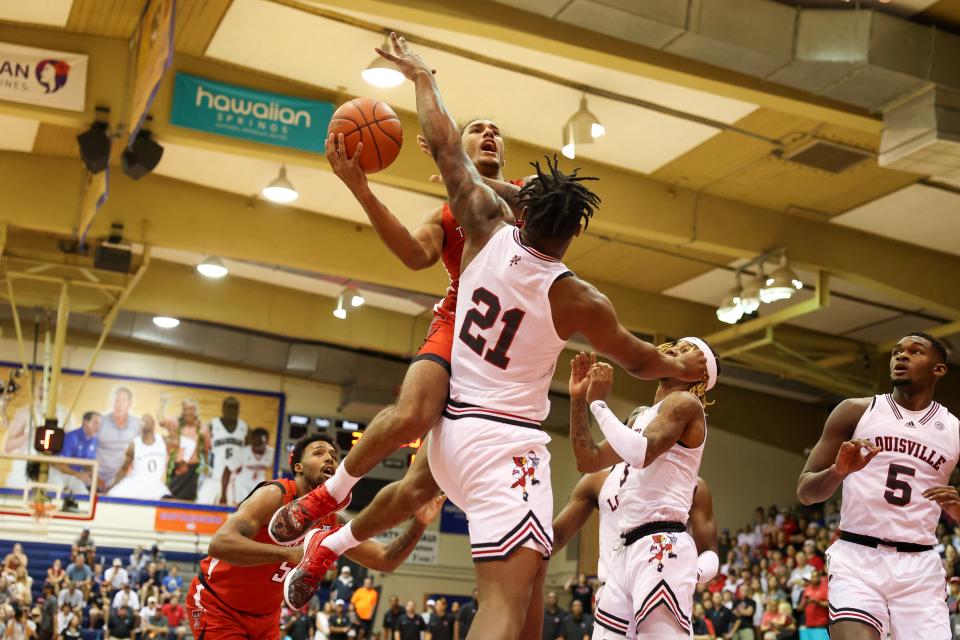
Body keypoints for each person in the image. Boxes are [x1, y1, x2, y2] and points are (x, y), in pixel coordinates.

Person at [281, 33, 705, 635]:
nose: (487, 138)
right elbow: (640, 360)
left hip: (459, 422)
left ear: (523, 209)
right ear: (572, 232)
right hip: (503, 439)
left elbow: (447, 144)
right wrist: (682, 366)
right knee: (505, 601)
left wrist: (424, 77)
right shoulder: (578, 298)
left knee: (481, 553)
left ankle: (329, 537)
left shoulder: (483, 222)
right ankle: (330, 501)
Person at [186, 434, 442, 639]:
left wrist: (419, 523)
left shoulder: (332, 521)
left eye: (334, 456)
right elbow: (219, 544)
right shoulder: (275, 495)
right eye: (319, 453)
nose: (329, 459)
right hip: (217, 605)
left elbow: (385, 559)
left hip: (266, 619)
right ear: (298, 466)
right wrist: (294, 554)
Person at [797, 332, 958, 640]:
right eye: (897, 351)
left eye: (915, 352)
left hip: (919, 567)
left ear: (938, 369)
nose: (901, 356)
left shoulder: (953, 431)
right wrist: (837, 472)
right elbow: (806, 492)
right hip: (858, 556)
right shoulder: (855, 411)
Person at [566, 340, 719, 639]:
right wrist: (577, 401)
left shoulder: (687, 404)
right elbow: (589, 459)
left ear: (700, 376)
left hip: (662, 542)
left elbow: (641, 452)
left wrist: (598, 404)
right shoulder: (641, 416)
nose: (675, 349)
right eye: (676, 345)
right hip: (625, 550)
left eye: (687, 350)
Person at [197, 396, 248, 505]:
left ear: (239, 410)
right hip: (214, 477)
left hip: (235, 480)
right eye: (229, 408)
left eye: (235, 408)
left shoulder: (244, 428)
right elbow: (203, 449)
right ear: (223, 409)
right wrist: (205, 466)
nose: (231, 411)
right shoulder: (212, 425)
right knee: (202, 506)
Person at [107, 415, 170, 500]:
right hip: (146, 486)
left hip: (148, 486)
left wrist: (112, 485)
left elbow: (124, 469)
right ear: (154, 427)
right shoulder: (164, 441)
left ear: (140, 428)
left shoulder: (162, 441)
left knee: (111, 495)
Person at [97, 387, 142, 489]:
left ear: (129, 404)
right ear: (112, 402)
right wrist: (95, 478)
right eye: (116, 400)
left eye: (123, 400)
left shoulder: (137, 425)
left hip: (125, 480)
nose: (119, 404)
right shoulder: (100, 422)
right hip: (99, 478)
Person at [47, 411, 100, 493]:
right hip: (58, 473)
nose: (98, 427)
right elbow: (59, 464)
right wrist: (79, 475)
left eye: (100, 424)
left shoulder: (94, 440)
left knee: (84, 496)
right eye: (96, 423)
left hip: (74, 475)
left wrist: (93, 477)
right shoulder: (71, 437)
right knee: (54, 494)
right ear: (85, 422)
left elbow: (88, 464)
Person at [164, 399, 204, 501]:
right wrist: (163, 403)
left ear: (195, 411)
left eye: (190, 409)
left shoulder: (202, 428)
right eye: (185, 409)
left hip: (192, 470)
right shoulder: (177, 424)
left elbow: (206, 449)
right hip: (177, 468)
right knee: (168, 496)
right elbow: (161, 419)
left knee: (188, 500)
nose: (188, 412)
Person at [230, 427, 274, 504]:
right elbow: (230, 469)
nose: (259, 444)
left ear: (266, 442)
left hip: (261, 482)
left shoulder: (272, 453)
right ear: (252, 441)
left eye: (261, 442)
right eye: (256, 441)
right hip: (244, 481)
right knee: (239, 481)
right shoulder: (243, 452)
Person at [799, 570, 828, 637]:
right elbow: (801, 607)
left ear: (819, 577)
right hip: (808, 624)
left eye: (816, 577)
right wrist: (803, 604)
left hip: (821, 624)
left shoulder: (825, 589)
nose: (814, 579)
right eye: (812, 577)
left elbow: (829, 605)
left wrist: (817, 602)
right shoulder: (807, 589)